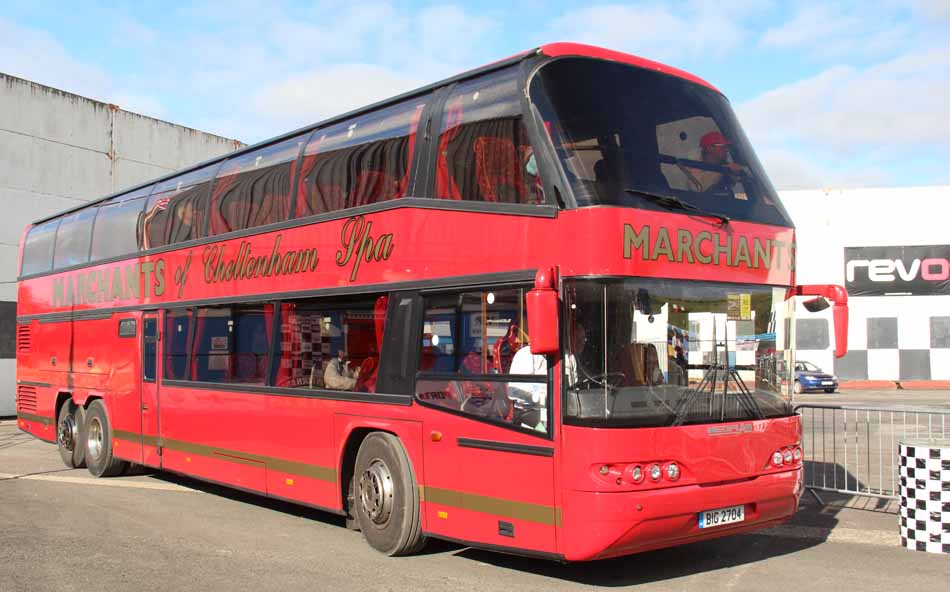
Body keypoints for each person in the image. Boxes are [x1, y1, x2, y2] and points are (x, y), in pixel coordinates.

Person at [679, 131, 747, 193]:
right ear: (709, 148)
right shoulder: (693, 167)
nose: (726, 151)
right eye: (723, 147)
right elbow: (699, 190)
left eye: (726, 148)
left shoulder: (727, 165)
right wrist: (725, 174)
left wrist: (736, 174)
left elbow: (741, 195)